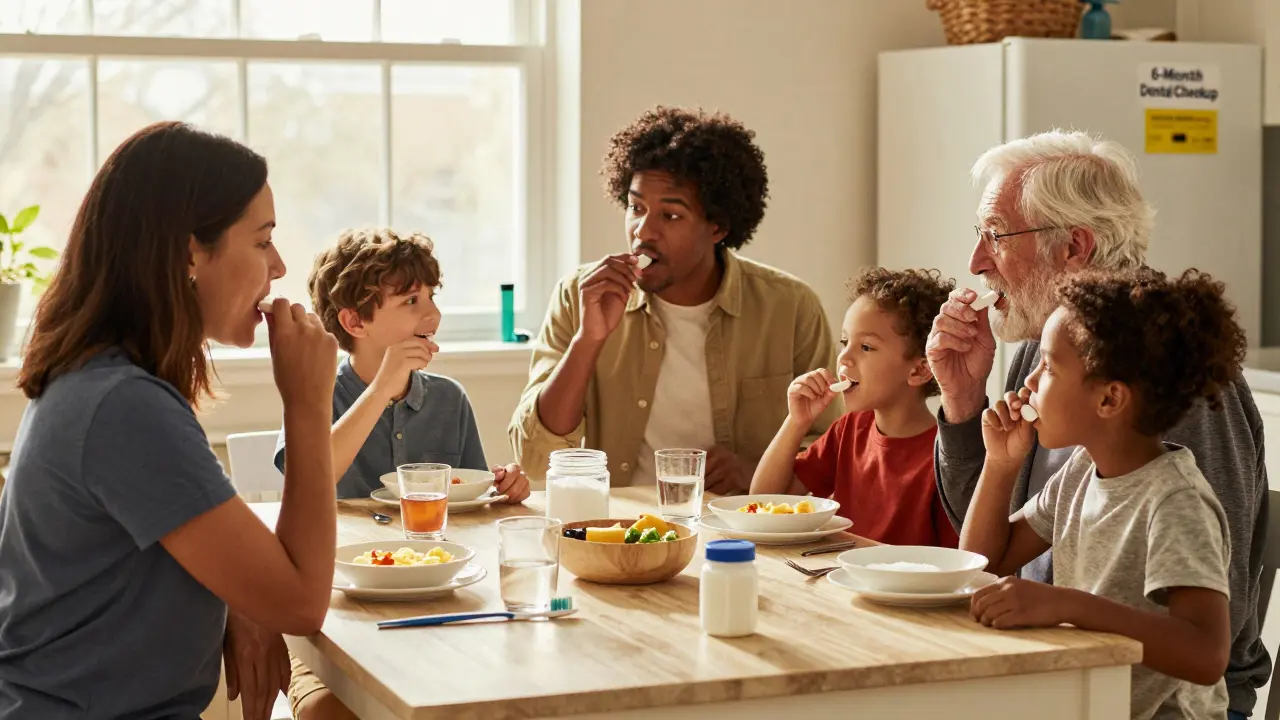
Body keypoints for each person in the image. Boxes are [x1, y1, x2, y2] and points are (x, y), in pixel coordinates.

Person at [0, 121, 338, 720]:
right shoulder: (124, 408)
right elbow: (302, 604)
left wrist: (236, 598)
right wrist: (308, 404)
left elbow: (171, 546)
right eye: (262, 241)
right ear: (189, 252)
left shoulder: (102, 380)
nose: (280, 266)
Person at [927, 129, 1270, 717]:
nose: (976, 261)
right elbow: (983, 556)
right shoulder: (1048, 353)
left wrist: (1062, 607)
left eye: (995, 235)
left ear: (1073, 248)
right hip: (1059, 673)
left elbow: (1212, 629)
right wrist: (963, 404)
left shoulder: (1169, 381)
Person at [510, 106, 839, 491]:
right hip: (618, 530)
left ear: (717, 226)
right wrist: (589, 340)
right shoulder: (580, 295)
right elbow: (534, 456)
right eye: (636, 208)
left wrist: (755, 474)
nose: (642, 232)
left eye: (670, 216)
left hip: (745, 531)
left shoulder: (791, 308)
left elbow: (834, 453)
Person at [274, 228, 531, 719]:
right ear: (355, 320)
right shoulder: (315, 393)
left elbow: (472, 512)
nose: (432, 315)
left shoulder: (449, 399)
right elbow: (308, 485)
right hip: (335, 617)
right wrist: (380, 390)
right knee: (327, 712)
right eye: (411, 300)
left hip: (438, 605)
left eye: (432, 297)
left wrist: (505, 490)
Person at [963, 268, 1239, 718]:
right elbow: (981, 564)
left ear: (1109, 400)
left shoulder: (1174, 501)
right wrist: (1000, 465)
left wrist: (1066, 605)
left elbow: (1206, 654)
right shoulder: (1081, 471)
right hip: (1091, 703)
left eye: (1049, 367)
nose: (1029, 382)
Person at [751, 267, 959, 547]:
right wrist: (796, 422)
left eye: (867, 347)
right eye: (845, 342)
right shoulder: (848, 431)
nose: (844, 358)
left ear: (920, 370)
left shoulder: (947, 458)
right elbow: (762, 503)